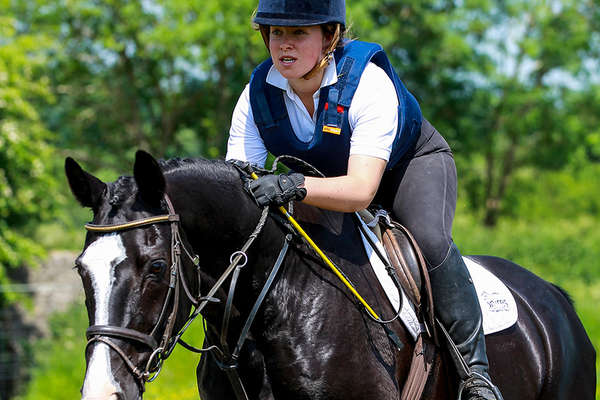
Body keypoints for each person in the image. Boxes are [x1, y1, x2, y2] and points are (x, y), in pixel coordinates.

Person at [226, 1, 502, 399]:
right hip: (322, 183)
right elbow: (241, 188)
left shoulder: (367, 83)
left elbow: (359, 191)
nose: (283, 44)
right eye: (276, 32)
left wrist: (290, 185)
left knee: (429, 240)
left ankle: (476, 376)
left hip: (404, 170)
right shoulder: (255, 95)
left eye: (298, 33)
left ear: (330, 36)